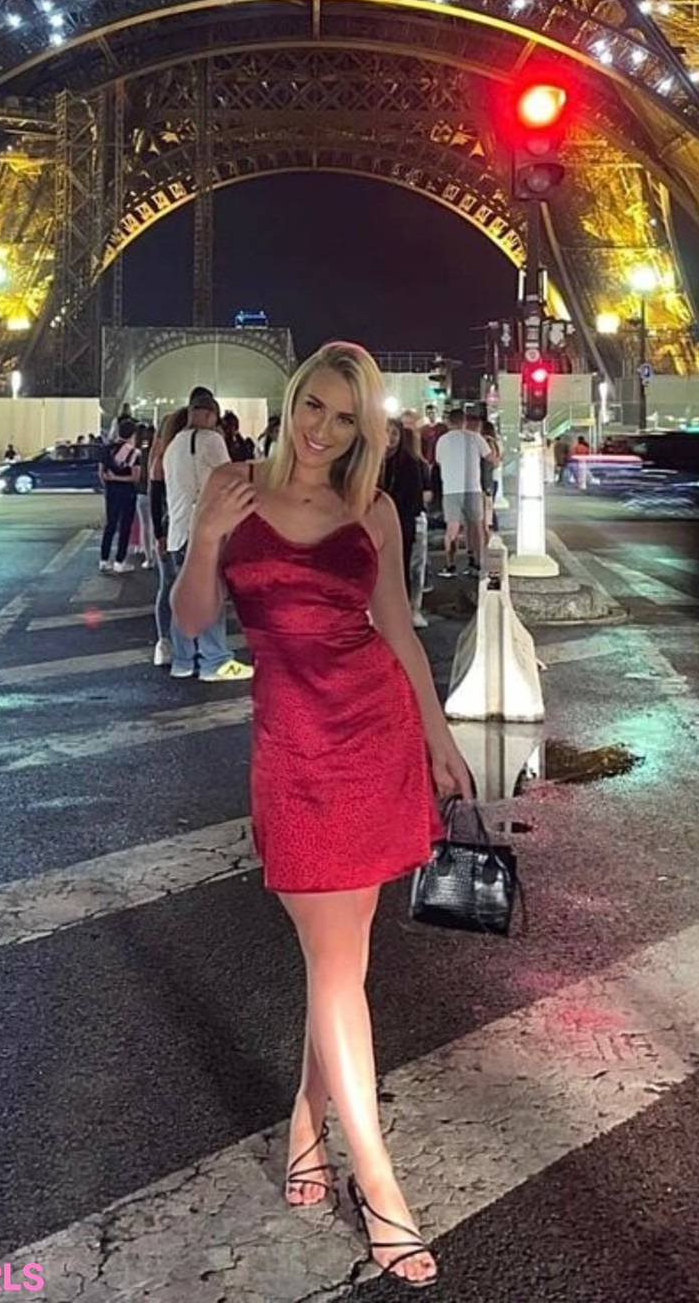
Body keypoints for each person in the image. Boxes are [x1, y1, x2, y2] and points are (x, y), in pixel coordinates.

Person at [172, 341, 472, 1286]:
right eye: (315, 408)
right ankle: (379, 1187)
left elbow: (400, 632)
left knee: (343, 964)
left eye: (346, 419)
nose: (323, 431)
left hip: (374, 734)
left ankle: (309, 1127)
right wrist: (205, 537)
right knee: (334, 963)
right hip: (293, 751)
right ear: (293, 399)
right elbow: (191, 620)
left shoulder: (371, 508)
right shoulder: (233, 488)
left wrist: (440, 738)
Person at [163, 388, 253, 683]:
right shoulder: (210, 440)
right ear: (208, 414)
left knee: (184, 598)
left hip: (177, 531)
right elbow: (228, 480)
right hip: (203, 530)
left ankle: (182, 660)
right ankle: (215, 661)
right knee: (210, 596)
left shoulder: (173, 444)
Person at [381, 417, 429, 628]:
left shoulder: (410, 463)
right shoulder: (371, 461)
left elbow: (415, 499)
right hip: (376, 524)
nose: (390, 438)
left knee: (404, 568)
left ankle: (408, 610)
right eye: (387, 432)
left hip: (403, 524)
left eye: (395, 433)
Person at [150, 407, 187, 666]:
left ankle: (164, 642)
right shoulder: (182, 455)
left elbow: (154, 500)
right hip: (179, 525)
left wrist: (158, 534)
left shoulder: (162, 457)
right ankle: (181, 641)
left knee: (167, 585)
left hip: (166, 525)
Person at [435, 406, 488, 577]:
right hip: (473, 488)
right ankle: (476, 563)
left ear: (448, 422)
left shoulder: (442, 440)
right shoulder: (475, 437)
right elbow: (491, 458)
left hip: (451, 489)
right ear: (464, 421)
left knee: (452, 528)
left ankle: (450, 565)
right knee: (475, 527)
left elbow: (438, 461)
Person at [98, 417, 140, 574]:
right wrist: (118, 478)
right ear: (133, 434)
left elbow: (100, 473)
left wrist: (108, 484)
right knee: (125, 526)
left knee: (110, 525)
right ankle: (119, 561)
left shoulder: (106, 449)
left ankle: (104, 560)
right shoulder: (134, 452)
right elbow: (135, 477)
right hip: (127, 493)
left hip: (111, 491)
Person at [134, 423, 155, 566]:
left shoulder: (140, 453)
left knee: (145, 525)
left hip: (142, 492)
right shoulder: (161, 453)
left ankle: (149, 558)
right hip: (158, 492)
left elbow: (138, 475)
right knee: (157, 525)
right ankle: (158, 553)